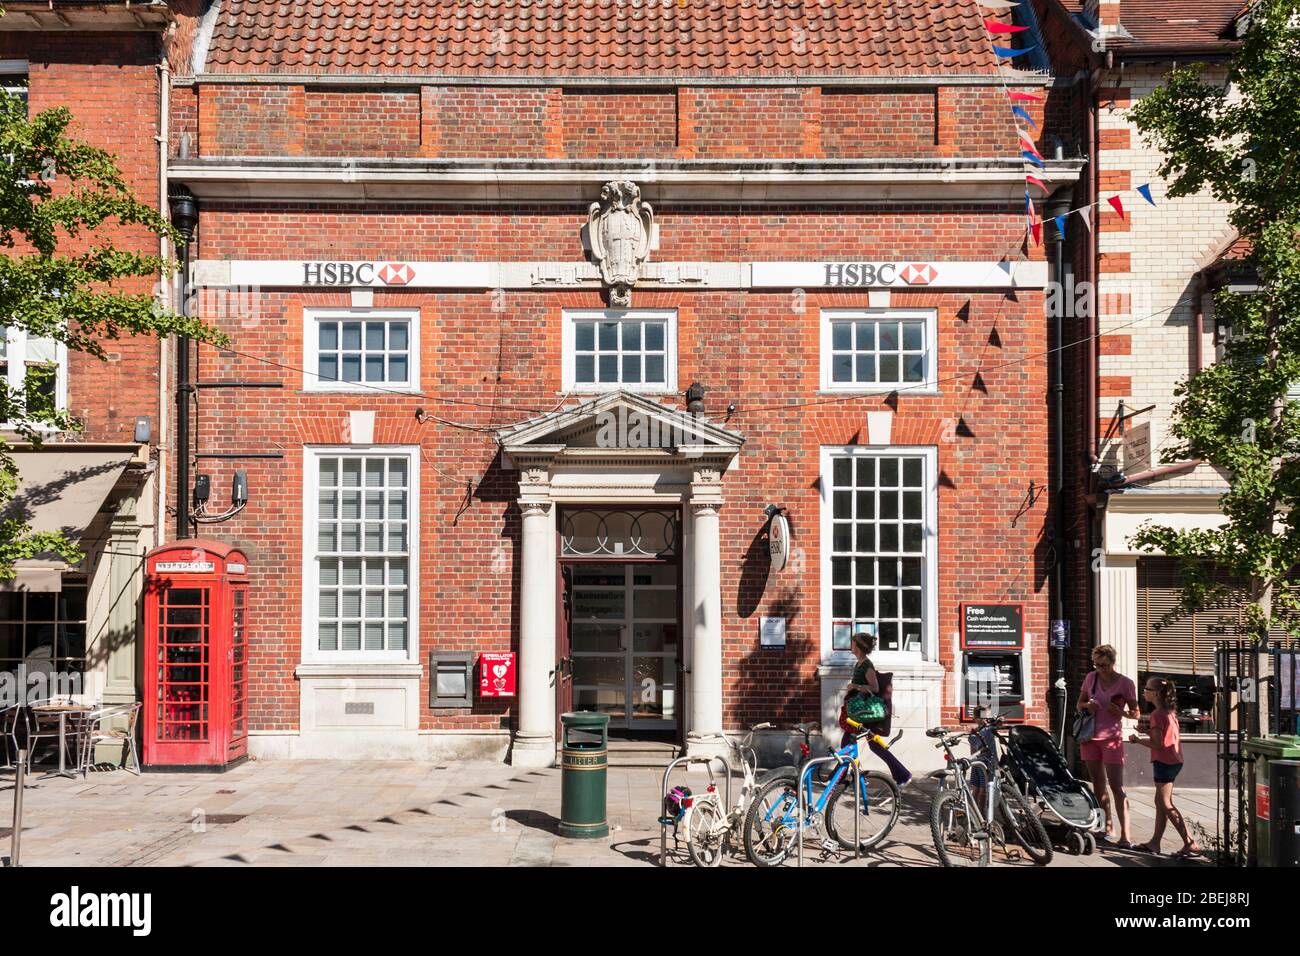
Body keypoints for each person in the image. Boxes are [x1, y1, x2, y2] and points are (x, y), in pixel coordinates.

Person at [1129, 677, 1202, 858]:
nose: (1144, 691)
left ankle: (1190, 843)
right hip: (1174, 760)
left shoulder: (1157, 714)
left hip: (1164, 761)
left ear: (1155, 693)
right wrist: (1146, 731)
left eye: (1146, 688)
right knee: (1160, 803)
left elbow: (1158, 744)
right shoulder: (1168, 712)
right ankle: (1155, 842)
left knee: (1165, 803)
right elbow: (1164, 736)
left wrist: (1137, 740)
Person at [1077, 644, 1139, 848]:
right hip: (1090, 738)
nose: (1100, 668)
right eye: (1096, 664)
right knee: (1099, 786)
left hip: (1112, 739)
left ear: (1112, 662)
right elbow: (1079, 704)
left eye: (1103, 665)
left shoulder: (1125, 683)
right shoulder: (1091, 678)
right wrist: (1088, 706)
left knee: (1117, 787)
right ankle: (1107, 826)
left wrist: (1119, 712)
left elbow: (1136, 713)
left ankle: (1126, 835)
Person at [844, 631, 912, 788]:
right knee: (872, 745)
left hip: (863, 712)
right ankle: (902, 774)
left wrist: (855, 686)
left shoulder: (867, 665)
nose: (851, 645)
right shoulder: (859, 663)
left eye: (853, 642)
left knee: (847, 744)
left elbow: (874, 687)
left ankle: (847, 777)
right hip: (859, 711)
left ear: (858, 646)